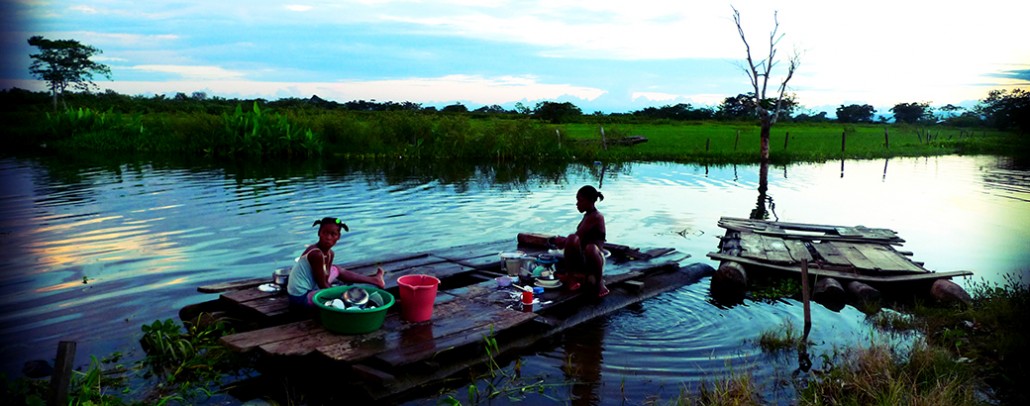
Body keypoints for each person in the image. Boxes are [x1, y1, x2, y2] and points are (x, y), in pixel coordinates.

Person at [287, 217, 386, 309]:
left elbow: (325, 278)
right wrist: (343, 294)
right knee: (342, 299)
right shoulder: (316, 254)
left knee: (336, 270)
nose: (328, 237)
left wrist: (335, 288)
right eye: (325, 233)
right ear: (319, 233)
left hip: (312, 288)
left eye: (333, 234)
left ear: (338, 236)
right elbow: (323, 285)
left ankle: (375, 280)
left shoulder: (330, 254)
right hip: (301, 298)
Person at [551, 185, 609, 297]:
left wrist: (562, 241)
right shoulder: (587, 216)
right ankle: (572, 277)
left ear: (590, 201)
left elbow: (578, 235)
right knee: (572, 240)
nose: (577, 204)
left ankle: (599, 282)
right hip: (583, 260)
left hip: (595, 259)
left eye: (580, 201)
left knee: (588, 247)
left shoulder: (596, 217)